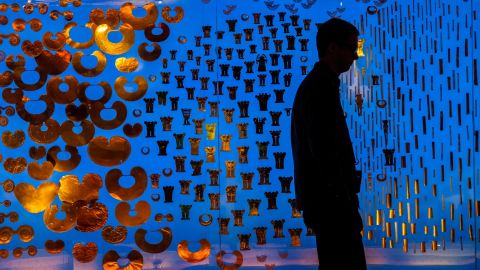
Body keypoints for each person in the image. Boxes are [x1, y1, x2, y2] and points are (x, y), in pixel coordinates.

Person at [290, 18, 367, 270]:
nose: (355, 55)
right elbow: (324, 152)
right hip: (333, 206)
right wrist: (344, 200)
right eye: (351, 47)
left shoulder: (319, 86)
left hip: (329, 204)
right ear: (332, 48)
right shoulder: (319, 89)